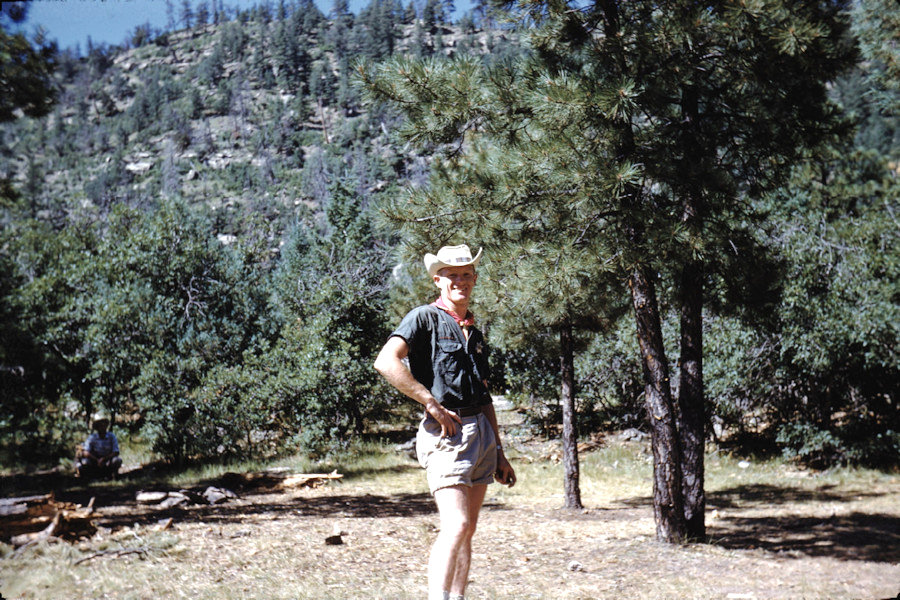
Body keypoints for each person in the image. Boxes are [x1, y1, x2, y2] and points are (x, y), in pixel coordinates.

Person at [374, 244, 516, 600]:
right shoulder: (424, 317)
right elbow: (386, 362)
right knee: (457, 524)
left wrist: (498, 451)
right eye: (452, 275)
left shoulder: (474, 332)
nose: (460, 281)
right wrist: (430, 403)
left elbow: (484, 396)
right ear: (438, 280)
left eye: (466, 274)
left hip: (480, 434)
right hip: (447, 435)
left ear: (475, 279)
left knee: (468, 530)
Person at [76, 414, 122, 479]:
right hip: (95, 461)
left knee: (117, 460)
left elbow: (116, 452)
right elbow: (85, 452)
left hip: (108, 460)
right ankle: (90, 477)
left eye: (104, 425)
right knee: (85, 462)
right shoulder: (92, 437)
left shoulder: (111, 436)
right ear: (97, 427)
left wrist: (103, 459)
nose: (102, 427)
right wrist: (97, 460)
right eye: (100, 425)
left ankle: (112, 475)